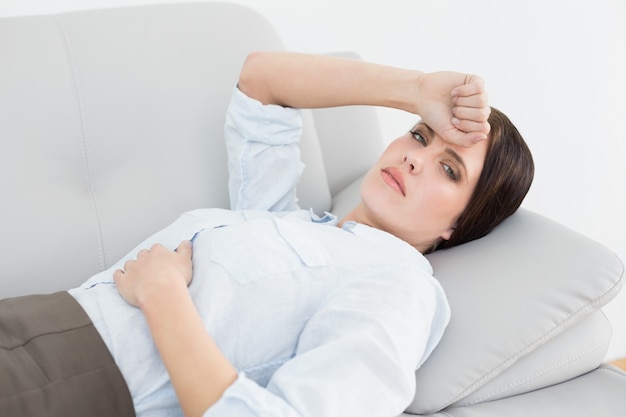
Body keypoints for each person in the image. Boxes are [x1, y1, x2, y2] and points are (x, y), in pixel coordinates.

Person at [0, 52, 533, 417]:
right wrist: (415, 90)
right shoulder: (289, 221)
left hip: (76, 380)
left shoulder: (400, 288)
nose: (415, 158)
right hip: (38, 317)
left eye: (449, 169)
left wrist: (163, 294)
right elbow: (261, 83)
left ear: (459, 224)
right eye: (419, 135)